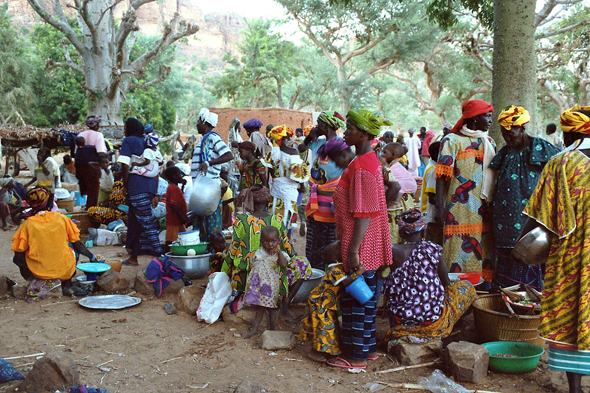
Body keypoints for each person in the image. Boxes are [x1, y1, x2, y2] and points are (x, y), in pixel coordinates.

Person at [519, 105, 590, 393]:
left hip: (572, 256)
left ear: (568, 132)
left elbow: (538, 214)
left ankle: (574, 389)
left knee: (571, 315)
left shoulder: (561, 163)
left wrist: (519, 246)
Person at [328, 109, 392, 370]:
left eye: (351, 127)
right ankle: (368, 349)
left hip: (362, 244)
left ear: (364, 133)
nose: (346, 131)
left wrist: (353, 251)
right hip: (369, 242)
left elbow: (364, 214)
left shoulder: (364, 167)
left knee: (355, 299)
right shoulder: (367, 161)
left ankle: (356, 357)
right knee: (366, 297)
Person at [382, 209, 476, 345]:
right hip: (430, 321)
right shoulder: (432, 249)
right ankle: (451, 324)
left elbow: (382, 273)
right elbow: (446, 283)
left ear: (401, 233)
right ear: (423, 232)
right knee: (466, 288)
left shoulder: (392, 251)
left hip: (400, 321)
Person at [490, 106, 558, 290]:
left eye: (511, 134)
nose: (507, 138)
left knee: (528, 252)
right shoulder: (505, 153)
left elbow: (556, 172)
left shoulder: (541, 148)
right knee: (506, 255)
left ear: (522, 128)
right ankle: (507, 298)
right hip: (504, 218)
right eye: (504, 134)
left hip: (529, 215)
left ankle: (529, 298)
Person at [221, 185, 312, 316]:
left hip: (245, 274)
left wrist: (225, 272)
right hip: (273, 274)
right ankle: (285, 304)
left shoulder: (241, 220)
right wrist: (291, 255)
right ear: (268, 201)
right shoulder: (276, 220)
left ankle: (244, 293)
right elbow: (288, 249)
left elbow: (233, 249)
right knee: (304, 264)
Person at [435, 99, 496, 283]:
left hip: (483, 210)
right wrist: (439, 208)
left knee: (483, 251)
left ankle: (481, 293)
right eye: (487, 116)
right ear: (474, 118)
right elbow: (441, 176)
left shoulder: (488, 141)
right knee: (455, 250)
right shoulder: (452, 141)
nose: (490, 120)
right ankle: (455, 292)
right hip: (456, 211)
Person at [11, 187, 98, 300]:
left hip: (38, 273)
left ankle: (34, 280)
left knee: (18, 255)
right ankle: (67, 285)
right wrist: (92, 257)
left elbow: (18, 256)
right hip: (64, 271)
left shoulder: (27, 224)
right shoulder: (62, 219)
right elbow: (79, 245)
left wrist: (29, 269)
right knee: (72, 247)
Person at [299, 240, 366, 362]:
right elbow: (346, 283)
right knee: (324, 328)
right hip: (321, 304)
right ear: (335, 258)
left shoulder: (337, 267)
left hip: (326, 304)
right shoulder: (335, 269)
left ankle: (330, 350)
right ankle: (316, 352)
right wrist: (358, 273)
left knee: (330, 327)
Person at [298, 111, 347, 268]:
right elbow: (301, 148)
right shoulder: (318, 142)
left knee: (329, 239)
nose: (316, 126)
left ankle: (327, 273)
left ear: (326, 125)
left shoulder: (341, 145)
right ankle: (315, 270)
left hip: (331, 200)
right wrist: (309, 137)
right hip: (316, 200)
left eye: (319, 123)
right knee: (314, 239)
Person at [117, 117, 162, 266]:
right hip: (149, 186)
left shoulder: (128, 141)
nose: (124, 130)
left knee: (147, 224)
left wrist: (124, 186)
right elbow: (156, 170)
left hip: (137, 187)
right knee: (136, 222)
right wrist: (154, 192)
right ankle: (134, 257)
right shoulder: (148, 142)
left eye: (125, 127)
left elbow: (124, 165)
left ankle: (162, 258)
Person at [191, 108, 234, 242]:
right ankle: (205, 251)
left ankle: (214, 254)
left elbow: (229, 155)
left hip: (209, 188)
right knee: (201, 222)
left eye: (199, 121)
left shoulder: (213, 138)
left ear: (205, 122)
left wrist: (209, 163)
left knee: (211, 222)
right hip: (203, 188)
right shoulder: (205, 140)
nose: (197, 124)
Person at [242, 225, 289, 338]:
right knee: (260, 309)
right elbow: (257, 266)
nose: (270, 244)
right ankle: (254, 329)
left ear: (278, 241)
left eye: (273, 241)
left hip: (271, 287)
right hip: (260, 287)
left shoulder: (280, 254)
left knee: (272, 309)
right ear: (262, 242)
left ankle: (271, 330)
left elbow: (283, 265)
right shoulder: (260, 252)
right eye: (266, 242)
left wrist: (279, 253)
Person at [266, 125, 309, 234]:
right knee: (288, 219)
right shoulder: (293, 153)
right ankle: (287, 245)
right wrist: (303, 187)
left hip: (275, 191)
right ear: (285, 138)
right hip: (289, 193)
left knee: (274, 219)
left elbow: (270, 174)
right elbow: (298, 176)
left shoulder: (272, 153)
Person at [381, 142, 417, 245]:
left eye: (384, 152)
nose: (382, 154)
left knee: (394, 232)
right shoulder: (393, 165)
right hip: (405, 200)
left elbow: (395, 186)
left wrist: (385, 205)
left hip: (400, 200)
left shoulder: (392, 167)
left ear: (393, 155)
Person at [76, 116, 107, 208]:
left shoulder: (80, 135)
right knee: (94, 189)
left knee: (87, 187)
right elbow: (101, 153)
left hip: (81, 166)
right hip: (93, 167)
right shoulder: (98, 135)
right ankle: (91, 209)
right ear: (97, 125)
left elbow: (76, 153)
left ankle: (88, 207)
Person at [420, 141, 442, 244]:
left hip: (430, 214)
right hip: (432, 215)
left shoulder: (431, 167)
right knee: (434, 244)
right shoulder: (434, 171)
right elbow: (433, 197)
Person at [163, 166, 189, 251]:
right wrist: (181, 216)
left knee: (183, 237)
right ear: (174, 176)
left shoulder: (174, 187)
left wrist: (182, 186)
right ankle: (164, 255)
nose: (181, 176)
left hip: (177, 219)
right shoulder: (173, 188)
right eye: (179, 175)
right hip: (174, 219)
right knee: (170, 239)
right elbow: (173, 204)